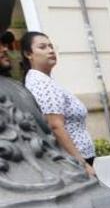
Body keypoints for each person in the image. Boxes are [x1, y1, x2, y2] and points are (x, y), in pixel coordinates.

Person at [22, 31, 96, 176]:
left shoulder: (45, 80)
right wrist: (82, 163)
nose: (50, 51)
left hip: (77, 159)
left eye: (51, 46)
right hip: (76, 162)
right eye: (42, 47)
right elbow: (55, 125)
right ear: (28, 54)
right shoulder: (42, 83)